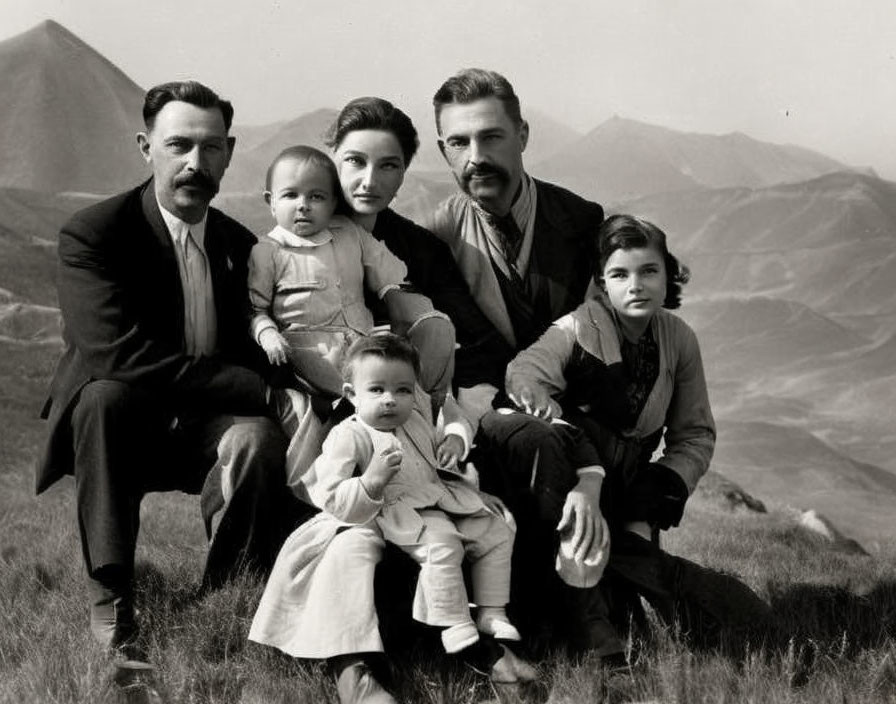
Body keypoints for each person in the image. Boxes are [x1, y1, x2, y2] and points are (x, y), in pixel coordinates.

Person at [36, 81, 304, 659]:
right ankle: (111, 598)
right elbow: (117, 354)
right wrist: (255, 388)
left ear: (229, 153)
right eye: (179, 145)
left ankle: (225, 593)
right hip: (125, 422)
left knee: (258, 439)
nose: (194, 163)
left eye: (210, 148)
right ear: (145, 147)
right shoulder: (95, 233)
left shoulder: (239, 243)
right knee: (103, 397)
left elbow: (265, 340)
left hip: (208, 426)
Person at [478, 215, 770, 656]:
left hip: (628, 486)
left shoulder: (679, 340)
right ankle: (590, 627)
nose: (636, 285)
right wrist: (582, 465)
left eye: (649, 271)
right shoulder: (577, 327)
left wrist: (666, 481)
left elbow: (695, 433)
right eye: (620, 274)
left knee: (642, 578)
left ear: (667, 276)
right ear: (602, 283)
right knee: (619, 575)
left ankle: (731, 618)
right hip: (561, 478)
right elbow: (522, 378)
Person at [250, 335, 535, 703]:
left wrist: (464, 473)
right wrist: (370, 482)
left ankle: (483, 638)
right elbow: (330, 493)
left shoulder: (413, 417)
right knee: (351, 547)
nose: (390, 398)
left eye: (402, 390)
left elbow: (434, 462)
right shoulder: (349, 428)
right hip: (359, 511)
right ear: (354, 392)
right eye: (378, 390)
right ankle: (352, 669)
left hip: (418, 511)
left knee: (483, 527)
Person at [248, 145, 450, 487]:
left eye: (317, 197)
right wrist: (267, 333)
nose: (303, 205)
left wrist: (392, 292)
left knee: (403, 383)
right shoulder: (268, 251)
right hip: (309, 348)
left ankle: (430, 456)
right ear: (270, 201)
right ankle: (344, 476)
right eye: (290, 195)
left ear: (332, 202)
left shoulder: (349, 233)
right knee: (361, 392)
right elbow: (255, 307)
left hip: (361, 338)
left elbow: (384, 267)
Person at [427, 68, 605, 421]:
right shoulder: (437, 237)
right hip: (484, 433)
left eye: (491, 137)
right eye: (459, 142)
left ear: (521, 135)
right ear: (443, 151)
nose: (475, 157)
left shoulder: (581, 220)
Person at [326, 96, 513, 390]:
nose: (369, 180)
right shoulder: (299, 239)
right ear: (333, 158)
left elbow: (483, 345)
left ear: (403, 173)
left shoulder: (423, 250)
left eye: (388, 165)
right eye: (355, 161)